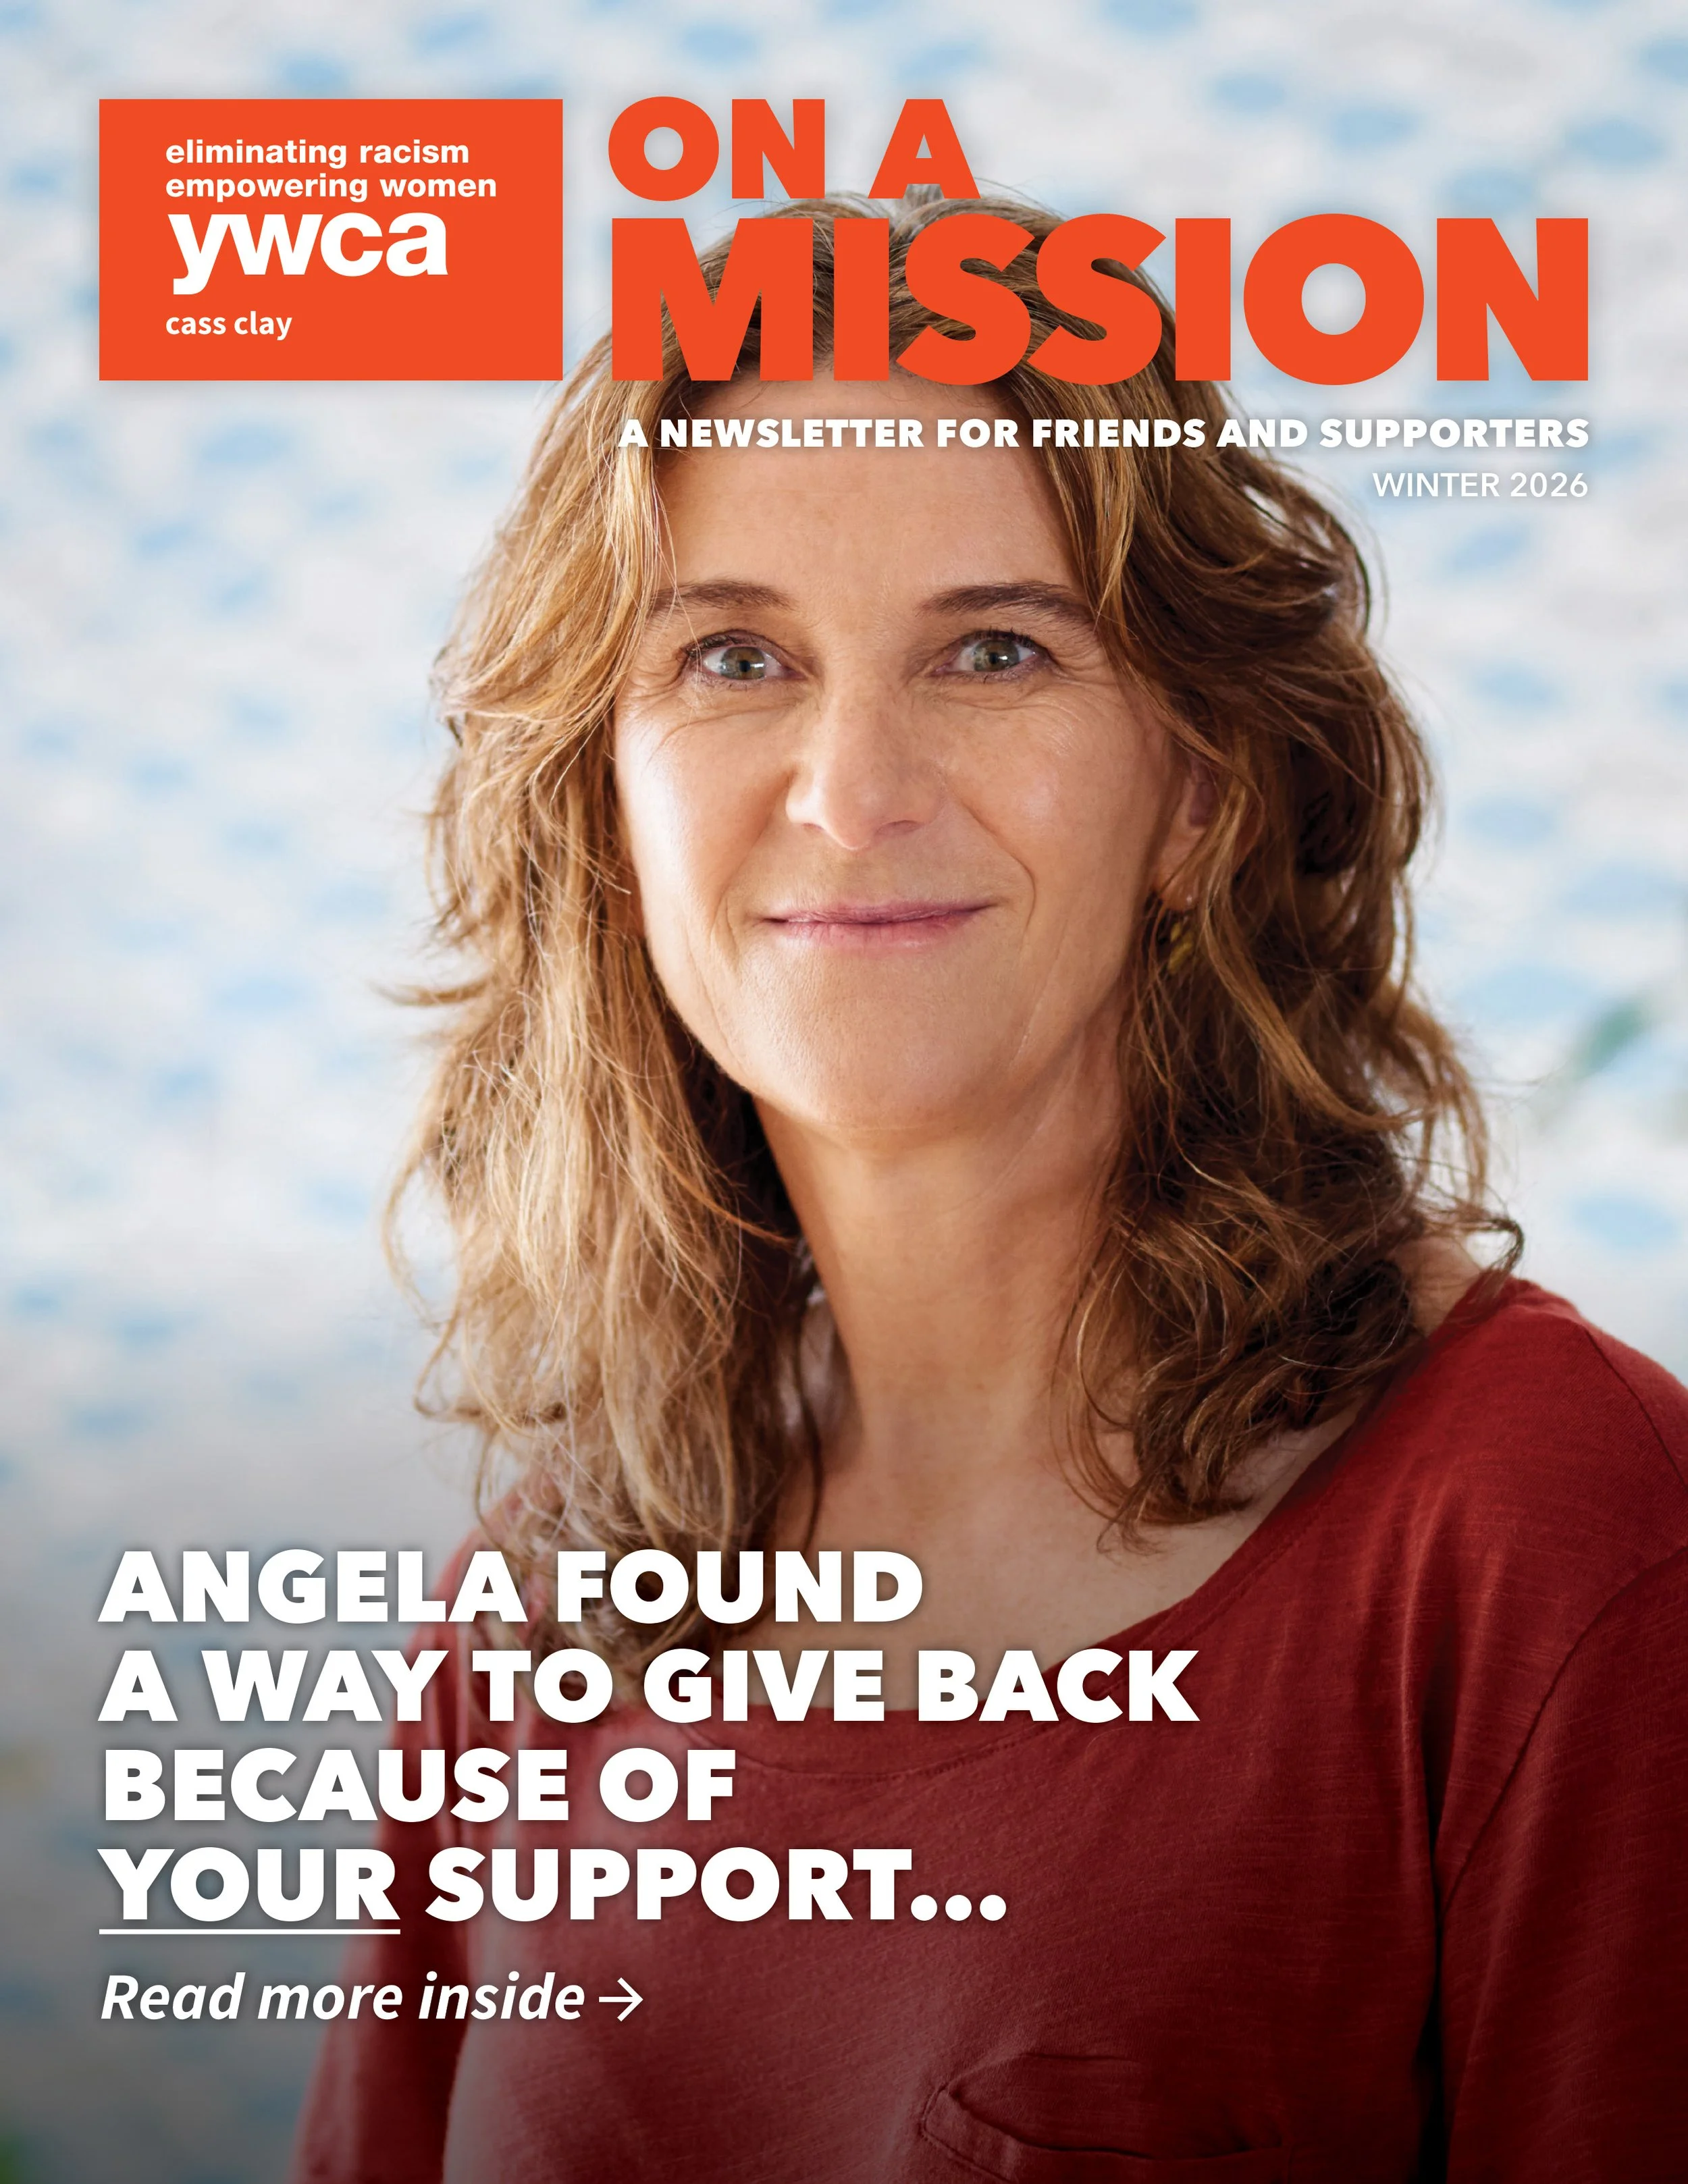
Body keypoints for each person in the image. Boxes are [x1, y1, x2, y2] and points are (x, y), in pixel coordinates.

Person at [293, 196, 1688, 2182]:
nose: (852, 789)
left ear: (1198, 791)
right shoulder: (531, 1612)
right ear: (603, 810)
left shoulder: (1557, 1541)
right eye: (735, 654)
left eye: (998, 649)